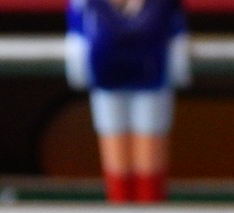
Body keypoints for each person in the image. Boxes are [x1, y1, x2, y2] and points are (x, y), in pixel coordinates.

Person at [65, 0, 190, 202]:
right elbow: (77, 25)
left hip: (151, 77)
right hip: (108, 77)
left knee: (149, 162)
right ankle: (120, 211)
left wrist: (178, 61)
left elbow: (176, 28)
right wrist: (78, 57)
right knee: (116, 160)